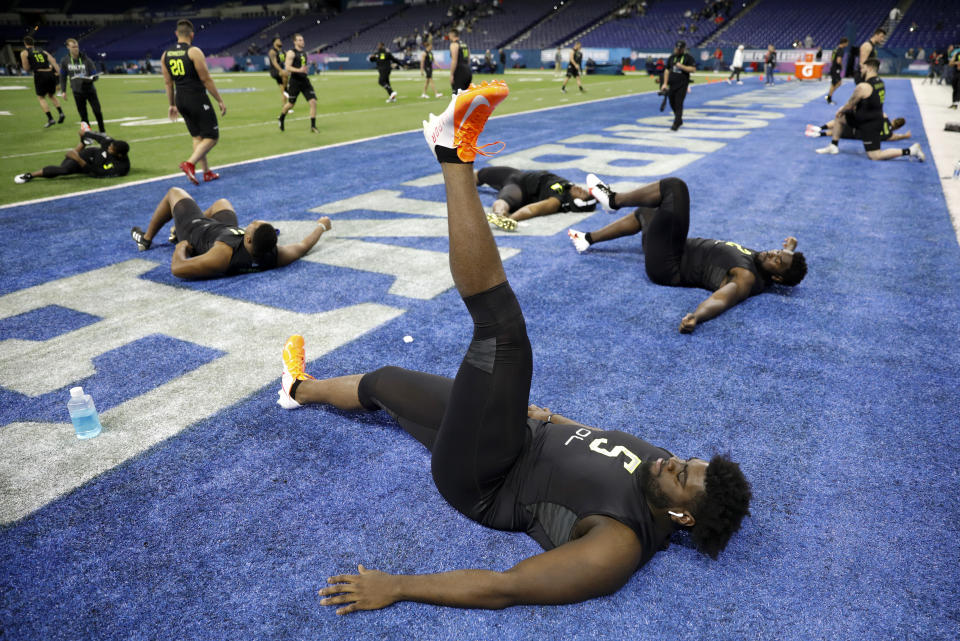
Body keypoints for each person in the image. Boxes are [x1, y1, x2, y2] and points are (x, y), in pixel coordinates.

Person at [277, 82, 751, 614]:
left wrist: (399, 586)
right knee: (383, 382)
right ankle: (297, 388)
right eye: (688, 461)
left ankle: (453, 153)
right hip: (515, 429)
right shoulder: (662, 468)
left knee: (502, 335)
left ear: (683, 518)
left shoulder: (619, 547)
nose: (674, 463)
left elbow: (509, 586)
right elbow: (598, 444)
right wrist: (553, 419)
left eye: (684, 476)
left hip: (484, 477)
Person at [569, 174, 807, 333]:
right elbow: (785, 260)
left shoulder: (746, 278)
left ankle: (613, 200)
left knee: (675, 188)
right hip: (673, 249)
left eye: (778, 259)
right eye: (777, 251)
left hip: (668, 264)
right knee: (647, 210)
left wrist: (697, 316)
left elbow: (723, 298)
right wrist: (789, 250)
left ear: (776, 279)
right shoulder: (766, 262)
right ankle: (586, 239)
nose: (772, 253)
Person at [129, 187, 331, 279]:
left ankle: (146, 238)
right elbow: (304, 246)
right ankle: (179, 229)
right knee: (222, 203)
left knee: (174, 192)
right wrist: (321, 226)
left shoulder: (223, 254)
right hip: (223, 230)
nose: (250, 222)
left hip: (197, 230)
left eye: (251, 225)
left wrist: (181, 247)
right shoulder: (273, 255)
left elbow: (179, 269)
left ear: (248, 238)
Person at [815, 59, 925, 161]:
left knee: (875, 155)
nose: (861, 70)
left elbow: (850, 105)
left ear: (870, 68)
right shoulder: (880, 82)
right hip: (867, 117)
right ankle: (833, 146)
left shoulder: (863, 87)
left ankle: (911, 150)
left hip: (870, 124)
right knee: (840, 117)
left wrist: (842, 109)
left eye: (863, 68)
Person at [161, 19, 226, 185]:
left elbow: (168, 83)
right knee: (212, 137)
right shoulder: (194, 51)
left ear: (176, 34)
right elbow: (206, 79)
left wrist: (172, 104)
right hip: (196, 98)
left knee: (197, 136)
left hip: (180, 99)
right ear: (192, 35)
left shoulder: (165, 54)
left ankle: (206, 172)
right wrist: (219, 99)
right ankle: (190, 164)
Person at [476, 166, 596, 230]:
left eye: (582, 194)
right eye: (584, 191)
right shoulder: (568, 188)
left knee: (505, 200)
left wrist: (512, 218)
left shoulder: (557, 200)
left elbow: (532, 210)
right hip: (517, 174)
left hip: (519, 188)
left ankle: (499, 215)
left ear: (575, 202)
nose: (581, 189)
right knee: (480, 174)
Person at [14, 127, 129, 183]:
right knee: (64, 169)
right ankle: (30, 175)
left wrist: (78, 159)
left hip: (90, 165)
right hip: (90, 155)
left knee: (68, 163)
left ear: (119, 155)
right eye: (110, 146)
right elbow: (101, 138)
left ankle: (81, 146)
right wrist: (85, 133)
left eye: (111, 149)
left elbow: (98, 173)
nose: (109, 147)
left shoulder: (121, 168)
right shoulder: (112, 144)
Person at [59, 38, 105, 133]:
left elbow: (95, 75)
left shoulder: (87, 60)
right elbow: (63, 76)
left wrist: (90, 78)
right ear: (68, 47)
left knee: (97, 111)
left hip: (90, 90)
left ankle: (102, 132)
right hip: (77, 91)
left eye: (77, 46)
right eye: (73, 47)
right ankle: (87, 134)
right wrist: (63, 91)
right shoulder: (65, 61)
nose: (76, 49)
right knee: (83, 115)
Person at [20, 36, 65, 128]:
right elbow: (53, 61)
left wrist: (31, 66)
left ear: (25, 43)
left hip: (40, 74)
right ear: (33, 43)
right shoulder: (42, 51)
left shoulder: (25, 52)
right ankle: (61, 113)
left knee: (41, 97)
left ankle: (50, 119)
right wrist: (61, 74)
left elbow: (26, 68)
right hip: (49, 73)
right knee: (51, 95)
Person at [279, 34, 318, 133]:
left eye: (302, 39)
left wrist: (305, 70)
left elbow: (302, 67)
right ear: (295, 42)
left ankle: (313, 126)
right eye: (300, 40)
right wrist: (299, 70)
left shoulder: (304, 53)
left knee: (313, 102)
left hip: (305, 81)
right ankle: (281, 118)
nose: (302, 41)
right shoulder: (291, 53)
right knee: (291, 104)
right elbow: (287, 67)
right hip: (295, 82)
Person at [662, 40, 695, 131]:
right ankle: (679, 119)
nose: (678, 50)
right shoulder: (671, 58)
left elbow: (693, 69)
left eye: (680, 49)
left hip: (682, 84)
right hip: (672, 84)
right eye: (677, 48)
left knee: (678, 103)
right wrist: (664, 84)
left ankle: (676, 123)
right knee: (672, 102)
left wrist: (682, 67)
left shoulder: (688, 58)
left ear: (683, 49)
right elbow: (667, 70)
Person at [806, 114, 911, 142]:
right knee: (838, 131)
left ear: (894, 120)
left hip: (859, 125)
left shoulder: (885, 117)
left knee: (839, 121)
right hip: (858, 135)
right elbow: (897, 137)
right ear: (898, 128)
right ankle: (819, 134)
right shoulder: (890, 135)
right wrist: (905, 136)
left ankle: (820, 128)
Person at [825, 38, 848, 104]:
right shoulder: (840, 50)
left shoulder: (836, 49)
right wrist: (841, 66)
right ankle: (829, 98)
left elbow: (831, 59)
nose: (847, 44)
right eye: (847, 43)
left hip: (833, 68)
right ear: (844, 43)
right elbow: (838, 60)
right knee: (835, 83)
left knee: (838, 83)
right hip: (836, 69)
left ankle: (829, 95)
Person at [448, 29, 472, 93]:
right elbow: (469, 59)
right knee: (466, 95)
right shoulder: (465, 45)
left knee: (457, 96)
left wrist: (451, 74)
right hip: (468, 71)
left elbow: (454, 60)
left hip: (459, 71)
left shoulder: (454, 45)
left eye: (449, 35)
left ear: (452, 35)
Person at [267, 37, 288, 108]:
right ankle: (286, 90)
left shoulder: (283, 51)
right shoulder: (272, 51)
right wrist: (281, 70)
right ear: (274, 43)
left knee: (282, 87)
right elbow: (274, 63)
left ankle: (284, 104)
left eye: (280, 40)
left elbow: (286, 60)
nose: (280, 41)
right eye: (278, 40)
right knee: (285, 75)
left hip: (281, 71)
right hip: (274, 70)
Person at [949, 44, 959, 108]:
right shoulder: (956, 54)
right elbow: (950, 63)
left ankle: (956, 103)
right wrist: (956, 63)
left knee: (958, 87)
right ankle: (954, 102)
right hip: (956, 73)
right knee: (954, 87)